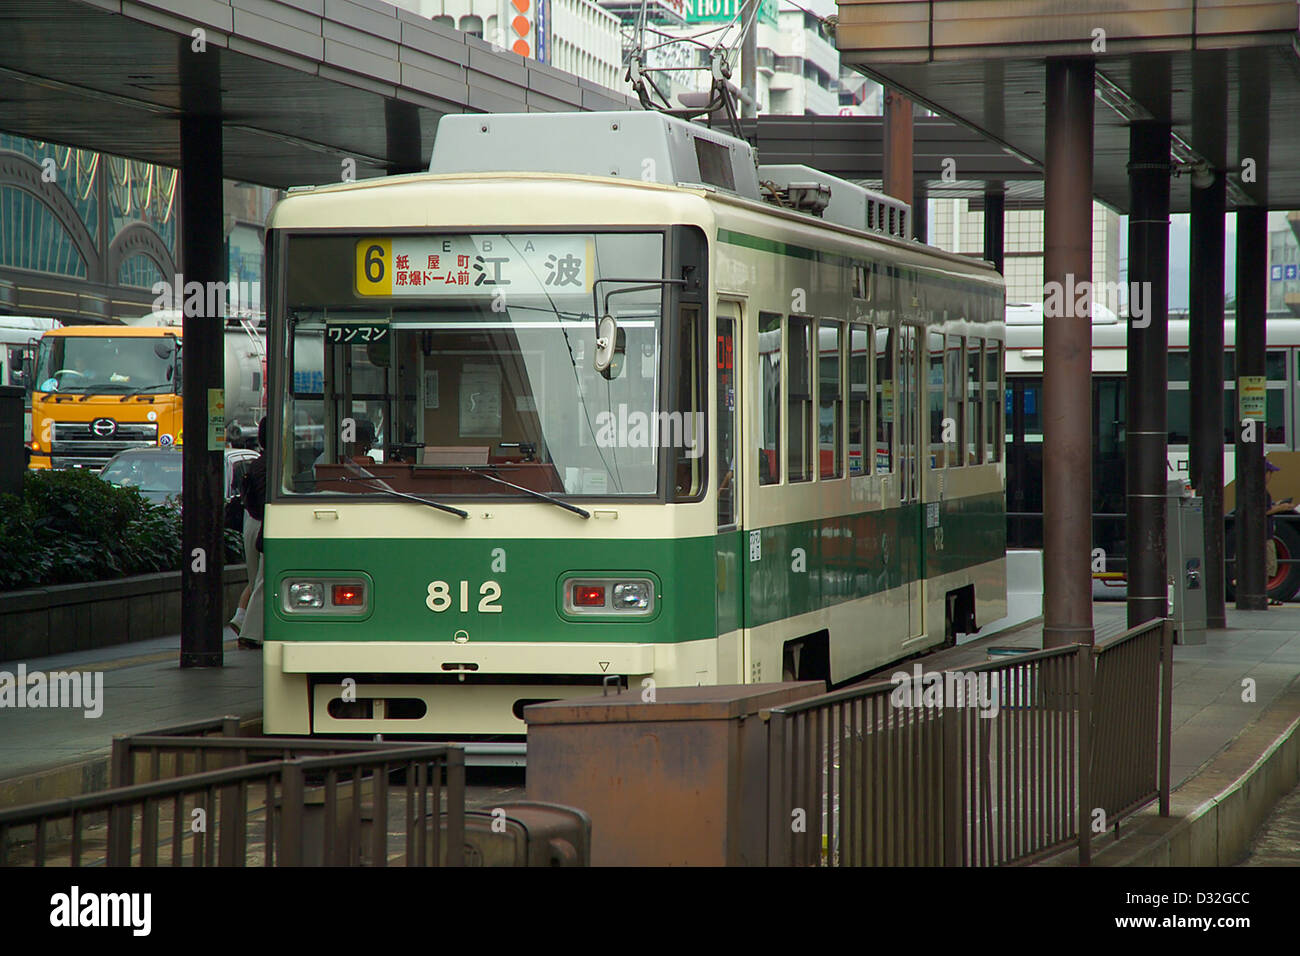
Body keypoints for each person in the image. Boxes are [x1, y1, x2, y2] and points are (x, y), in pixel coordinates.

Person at [237, 418, 268, 648]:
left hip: (252, 522)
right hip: (263, 526)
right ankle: (250, 631)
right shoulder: (273, 466)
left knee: (256, 579)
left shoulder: (257, 463)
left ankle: (243, 622)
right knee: (263, 581)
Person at [1264, 460, 1294, 606]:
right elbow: (1264, 511)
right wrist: (1281, 507)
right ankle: (1262, 595)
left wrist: (1277, 505)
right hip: (1265, 535)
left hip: (1264, 534)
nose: (1271, 476)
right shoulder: (1262, 492)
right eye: (1270, 473)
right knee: (1269, 566)